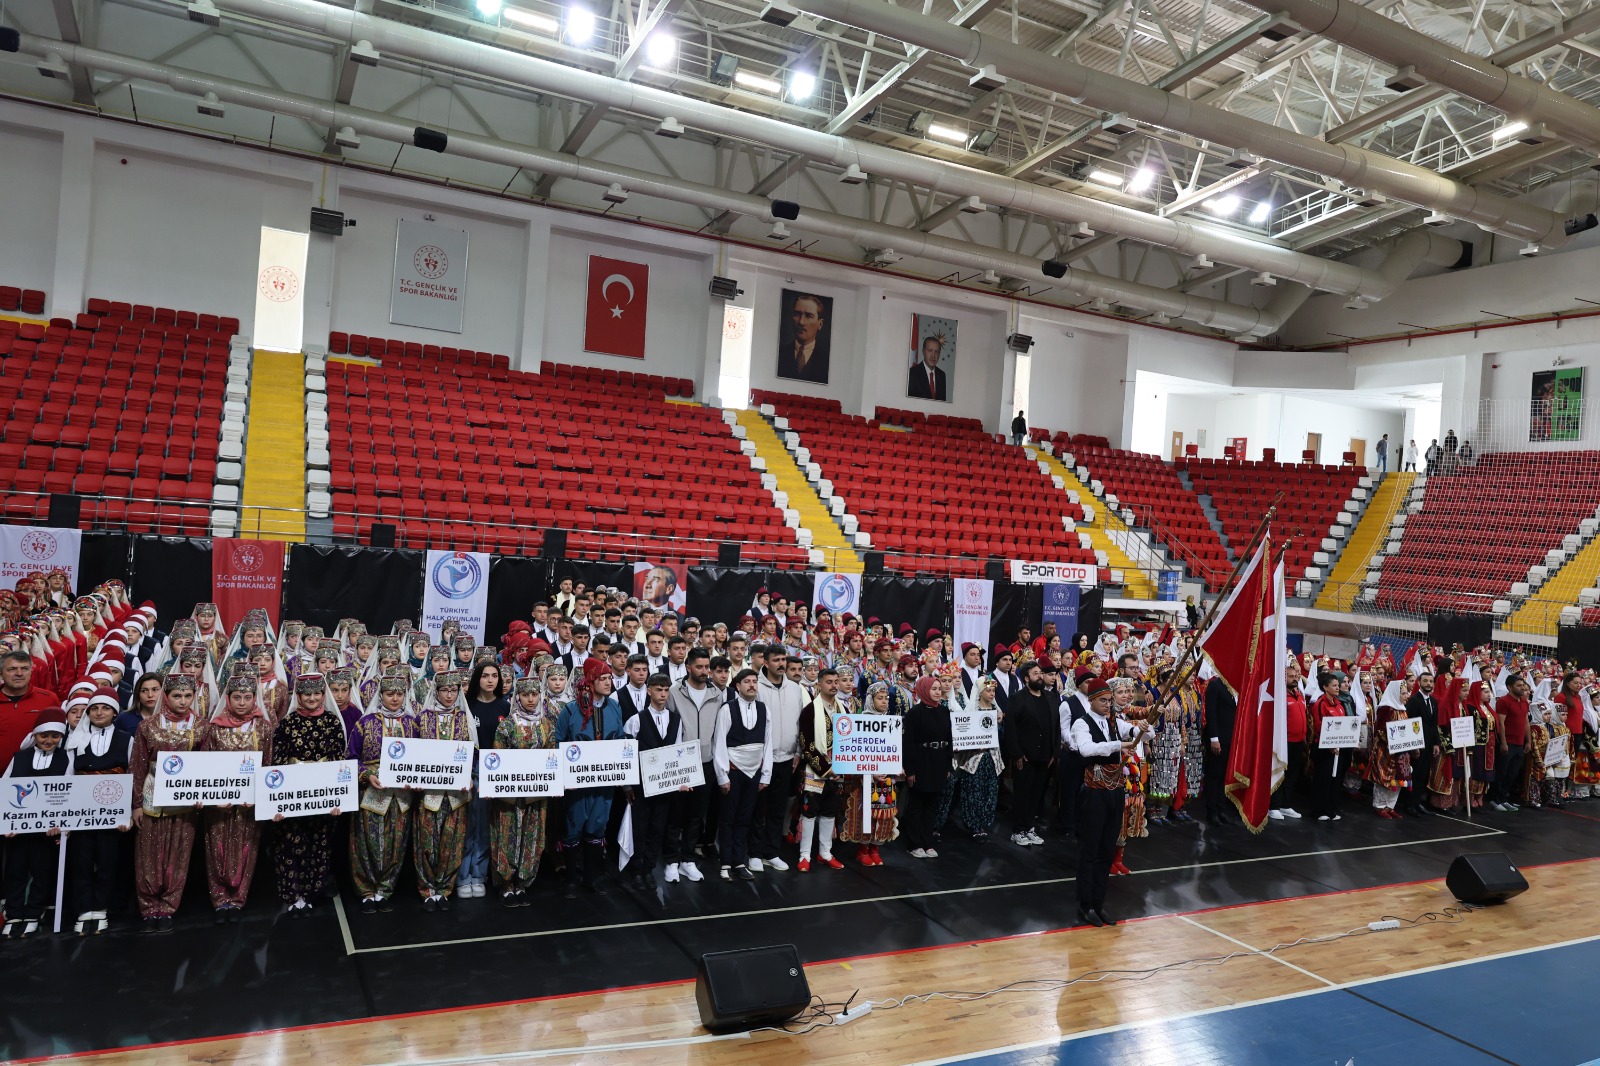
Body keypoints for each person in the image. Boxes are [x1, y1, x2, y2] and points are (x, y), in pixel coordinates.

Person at [269, 672, 348, 916]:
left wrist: (338, 800)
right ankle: (293, 895)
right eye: (306, 694)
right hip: (293, 798)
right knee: (290, 845)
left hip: (322, 798)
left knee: (318, 845)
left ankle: (312, 893)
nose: (312, 698)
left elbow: (338, 761)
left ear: (323, 695)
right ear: (298, 696)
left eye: (316, 693)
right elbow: (278, 762)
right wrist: (276, 803)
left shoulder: (333, 722)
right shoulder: (288, 723)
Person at [130, 673, 203, 932]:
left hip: (185, 800)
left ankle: (169, 907)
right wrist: (136, 804)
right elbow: (137, 765)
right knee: (148, 853)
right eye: (177, 696)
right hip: (152, 796)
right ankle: (149, 907)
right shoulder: (148, 726)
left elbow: (207, 765)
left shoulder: (201, 726)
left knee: (178, 852)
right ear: (166, 696)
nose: (182, 701)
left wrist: (203, 795)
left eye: (188, 696)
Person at [198, 673, 273, 922]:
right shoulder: (214, 728)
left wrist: (260, 796)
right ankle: (220, 900)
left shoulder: (263, 728)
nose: (242, 702)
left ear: (255, 699)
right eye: (237, 697)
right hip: (219, 805)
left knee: (246, 849)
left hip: (249, 804)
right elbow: (204, 766)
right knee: (216, 849)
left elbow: (269, 765)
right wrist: (212, 799)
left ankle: (239, 899)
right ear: (228, 698)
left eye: (247, 697)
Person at [1070, 679, 1144, 927]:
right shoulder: (1082, 723)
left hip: (1114, 792)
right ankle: (1085, 904)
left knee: (1106, 849)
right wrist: (1118, 745)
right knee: (1090, 850)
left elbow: (1140, 733)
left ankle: (1098, 903)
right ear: (1091, 700)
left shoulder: (1115, 722)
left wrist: (1143, 727)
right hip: (1094, 793)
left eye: (1109, 701)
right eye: (1103, 700)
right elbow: (1086, 749)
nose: (1107, 705)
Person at [66, 689, 134, 936]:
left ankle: (101, 908)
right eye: (94, 708)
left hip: (113, 812)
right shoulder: (76, 740)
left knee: (108, 861)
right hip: (82, 813)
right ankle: (84, 909)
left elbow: (132, 775)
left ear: (115, 712)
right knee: (82, 861)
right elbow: (68, 776)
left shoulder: (126, 739)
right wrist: (67, 817)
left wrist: (127, 813)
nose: (99, 713)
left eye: (105, 708)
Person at [555, 659, 624, 897]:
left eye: (609, 678)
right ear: (590, 681)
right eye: (602, 679)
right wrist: (565, 776)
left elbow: (620, 741)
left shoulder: (615, 707)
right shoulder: (570, 710)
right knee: (574, 826)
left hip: (604, 782)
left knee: (597, 826)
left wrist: (621, 772)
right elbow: (559, 742)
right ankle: (571, 880)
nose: (608, 682)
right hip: (577, 784)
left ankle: (591, 877)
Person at [489, 673, 559, 906]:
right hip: (509, 796)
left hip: (535, 794)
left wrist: (554, 781)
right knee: (507, 835)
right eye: (525, 694)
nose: (530, 699)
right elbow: (496, 758)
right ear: (517, 697)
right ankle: (506, 884)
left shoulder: (546, 725)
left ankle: (523, 882)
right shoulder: (507, 726)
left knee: (532, 836)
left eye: (534, 694)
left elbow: (552, 757)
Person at [1, 708, 71, 939]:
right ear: (35, 735)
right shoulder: (19, 757)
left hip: (47, 831)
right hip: (19, 831)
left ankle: (33, 913)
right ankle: (14, 914)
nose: (49, 740)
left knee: (42, 872)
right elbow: (5, 789)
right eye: (44, 735)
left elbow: (69, 793)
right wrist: (7, 824)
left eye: (55, 736)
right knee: (15, 871)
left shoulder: (66, 758)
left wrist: (61, 825)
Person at [349, 675, 415, 913]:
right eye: (389, 694)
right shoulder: (365, 723)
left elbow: (422, 759)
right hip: (372, 792)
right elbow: (351, 757)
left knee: (396, 841)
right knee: (366, 841)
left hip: (401, 796)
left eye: (399, 694)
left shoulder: (413, 724)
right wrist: (367, 775)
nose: (395, 699)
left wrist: (415, 778)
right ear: (381, 696)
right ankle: (366, 890)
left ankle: (385, 889)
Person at [413, 670, 474, 910]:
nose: (449, 695)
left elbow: (473, 750)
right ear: (435, 691)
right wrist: (413, 776)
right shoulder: (422, 718)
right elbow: (412, 752)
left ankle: (444, 889)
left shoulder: (464, 718)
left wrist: (470, 775)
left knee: (453, 841)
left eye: (453, 690)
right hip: (429, 792)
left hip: (456, 793)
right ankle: (428, 889)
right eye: (445, 690)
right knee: (427, 841)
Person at [622, 673, 684, 891]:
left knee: (657, 828)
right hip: (641, 786)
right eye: (659, 689)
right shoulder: (636, 720)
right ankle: (636, 870)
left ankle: (648, 869)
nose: (663, 694)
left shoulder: (675, 720)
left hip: (664, 786)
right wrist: (627, 786)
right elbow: (627, 755)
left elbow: (677, 752)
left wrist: (680, 780)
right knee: (639, 828)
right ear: (649, 691)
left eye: (666, 690)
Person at [713, 668, 772, 881]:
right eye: (747, 681)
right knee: (728, 819)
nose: (752, 685)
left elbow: (768, 743)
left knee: (745, 819)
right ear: (737, 686)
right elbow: (719, 743)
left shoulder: (764, 709)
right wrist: (723, 776)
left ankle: (739, 862)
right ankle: (725, 864)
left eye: (754, 681)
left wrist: (765, 775)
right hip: (733, 772)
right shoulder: (727, 709)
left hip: (754, 773)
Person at [664, 648, 716, 883]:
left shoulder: (716, 693)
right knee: (675, 816)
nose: (704, 671)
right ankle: (671, 861)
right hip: (680, 764)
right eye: (699, 667)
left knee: (696, 817)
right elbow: (668, 729)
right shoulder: (674, 692)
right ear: (688, 667)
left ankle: (688, 860)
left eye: (707, 667)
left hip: (705, 763)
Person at [460, 660, 509, 899]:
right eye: (485, 675)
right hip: (470, 772)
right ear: (477, 679)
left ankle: (479, 875)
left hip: (496, 774)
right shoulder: (467, 706)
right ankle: (462, 876)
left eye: (495, 676)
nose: (490, 680)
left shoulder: (505, 707)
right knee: (467, 825)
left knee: (485, 827)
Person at [753, 646, 802, 873]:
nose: (781, 664)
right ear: (765, 662)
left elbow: (800, 723)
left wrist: (798, 752)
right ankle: (754, 853)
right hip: (762, 759)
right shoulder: (756, 686)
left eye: (783, 659)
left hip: (787, 758)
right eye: (776, 660)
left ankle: (771, 853)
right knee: (757, 809)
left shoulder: (795, 689)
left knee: (777, 809)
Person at [839, 681, 899, 864]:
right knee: (865, 814)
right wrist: (871, 773)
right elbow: (855, 753)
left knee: (884, 815)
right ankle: (863, 849)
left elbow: (894, 750)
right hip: (865, 779)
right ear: (871, 700)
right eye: (880, 698)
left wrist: (896, 768)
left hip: (885, 778)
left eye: (886, 698)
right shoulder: (860, 721)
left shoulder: (891, 722)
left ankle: (875, 847)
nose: (884, 701)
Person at [794, 667, 846, 870]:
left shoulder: (844, 709)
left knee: (830, 811)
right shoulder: (809, 710)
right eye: (829, 682)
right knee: (809, 811)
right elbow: (806, 744)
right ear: (819, 684)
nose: (834, 685)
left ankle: (825, 853)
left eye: (836, 682)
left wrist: (841, 766)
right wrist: (825, 768)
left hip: (838, 769)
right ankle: (805, 855)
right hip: (815, 770)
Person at [1003, 661, 1056, 846]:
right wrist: (1017, 754)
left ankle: (1029, 828)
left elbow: (1055, 726)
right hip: (1025, 756)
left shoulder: (1051, 697)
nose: (1040, 676)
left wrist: (1054, 752)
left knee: (1037, 794)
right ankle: (1018, 830)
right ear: (1026, 678)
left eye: (1040, 673)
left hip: (1045, 756)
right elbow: (1010, 729)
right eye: (1035, 673)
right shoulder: (1017, 698)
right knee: (1022, 794)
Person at [901, 675, 953, 858]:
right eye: (934, 689)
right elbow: (908, 743)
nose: (938, 692)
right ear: (924, 690)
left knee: (932, 804)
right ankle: (914, 844)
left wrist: (948, 765)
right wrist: (910, 770)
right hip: (921, 762)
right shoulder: (915, 713)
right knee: (917, 804)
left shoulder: (944, 711)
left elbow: (949, 739)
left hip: (939, 761)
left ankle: (927, 842)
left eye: (939, 689)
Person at [1308, 671, 1349, 821]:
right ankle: (1319, 811)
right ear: (1325, 687)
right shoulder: (1320, 703)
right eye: (1334, 685)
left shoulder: (1339, 704)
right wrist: (1329, 745)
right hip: (1324, 748)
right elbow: (1319, 726)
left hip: (1338, 748)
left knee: (1335, 779)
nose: (1338, 688)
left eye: (1338, 685)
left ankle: (1331, 810)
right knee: (1323, 779)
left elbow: (1344, 725)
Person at [1270, 660, 1307, 821]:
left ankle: (1285, 805)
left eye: (1295, 676)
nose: (1294, 678)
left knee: (1292, 775)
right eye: (1290, 676)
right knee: (1279, 774)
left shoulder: (1299, 695)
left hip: (1298, 742)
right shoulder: (1280, 696)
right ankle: (1273, 806)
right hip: (1284, 742)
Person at [1491, 673, 1531, 811]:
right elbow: (1501, 723)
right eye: (1518, 686)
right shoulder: (1503, 701)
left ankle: (1503, 798)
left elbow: (1526, 722)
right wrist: (1503, 743)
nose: (1522, 688)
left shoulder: (1524, 702)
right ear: (1509, 687)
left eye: (1523, 685)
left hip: (1520, 743)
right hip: (1508, 742)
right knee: (1502, 772)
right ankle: (1495, 799)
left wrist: (1528, 741)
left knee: (1512, 773)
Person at [1401, 672, 1437, 817]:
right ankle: (1409, 804)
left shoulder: (1433, 701)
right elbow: (1409, 723)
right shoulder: (1414, 701)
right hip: (1417, 745)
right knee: (1414, 775)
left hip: (1428, 745)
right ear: (1419, 682)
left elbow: (1434, 724)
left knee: (1423, 775)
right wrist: (1414, 745)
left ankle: (1417, 802)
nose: (1428, 683)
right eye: (1425, 681)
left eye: (1431, 681)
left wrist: (1436, 743)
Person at [776, 292, 831, 383]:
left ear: (820, 324)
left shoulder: (827, 361)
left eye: (809, 316)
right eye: (797, 314)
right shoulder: (779, 353)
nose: (801, 322)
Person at [906, 334, 949, 401]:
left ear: (939, 353)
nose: (933, 355)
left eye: (936, 351)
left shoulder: (941, 375)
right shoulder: (912, 373)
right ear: (923, 351)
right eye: (930, 350)